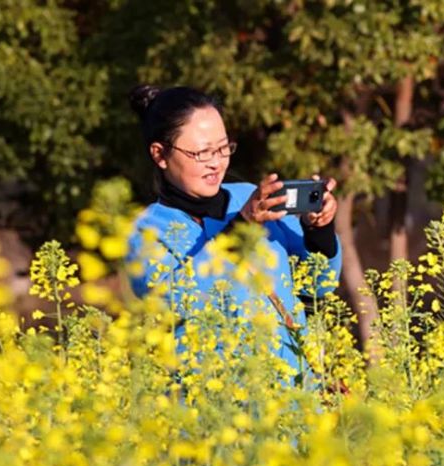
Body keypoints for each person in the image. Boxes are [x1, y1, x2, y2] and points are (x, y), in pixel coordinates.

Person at [124, 85, 342, 383]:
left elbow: (320, 285)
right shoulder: (147, 230)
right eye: (201, 152)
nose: (217, 162)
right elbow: (169, 305)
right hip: (214, 410)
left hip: (292, 402)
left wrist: (319, 229)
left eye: (223, 148)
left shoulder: (251, 198)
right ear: (160, 154)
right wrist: (241, 229)